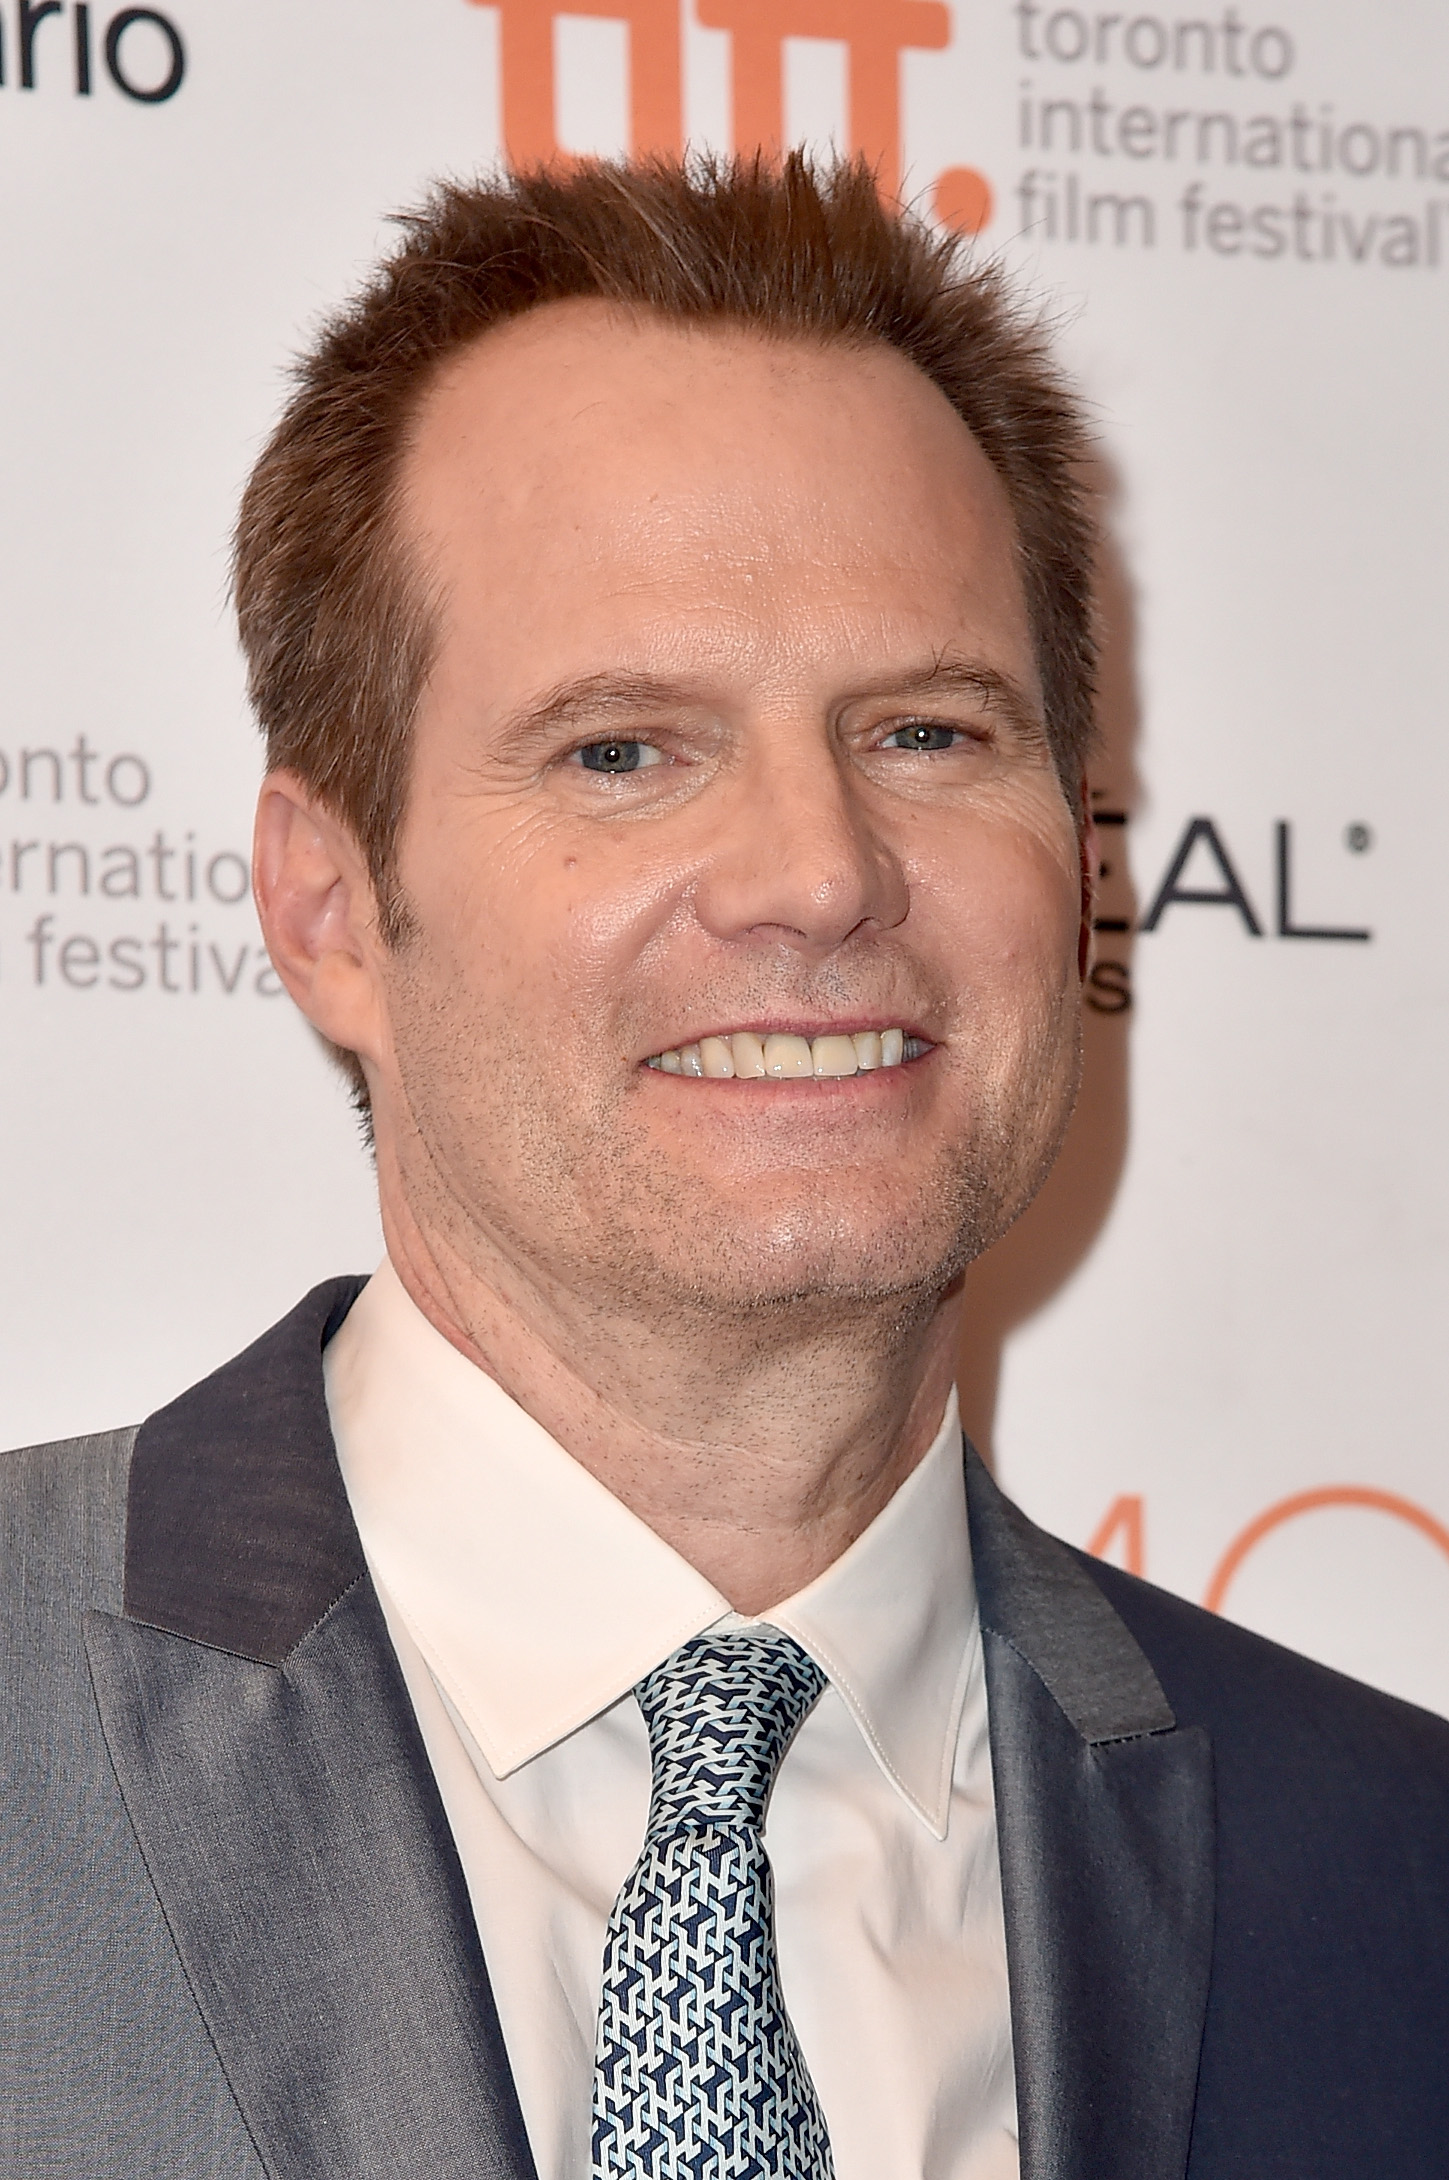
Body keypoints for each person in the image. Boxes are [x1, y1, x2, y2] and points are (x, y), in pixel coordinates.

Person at [3, 154, 1447, 2180]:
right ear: (328, 906)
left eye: (927, 733)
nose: (815, 874)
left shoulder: (1394, 1875)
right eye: (622, 750)